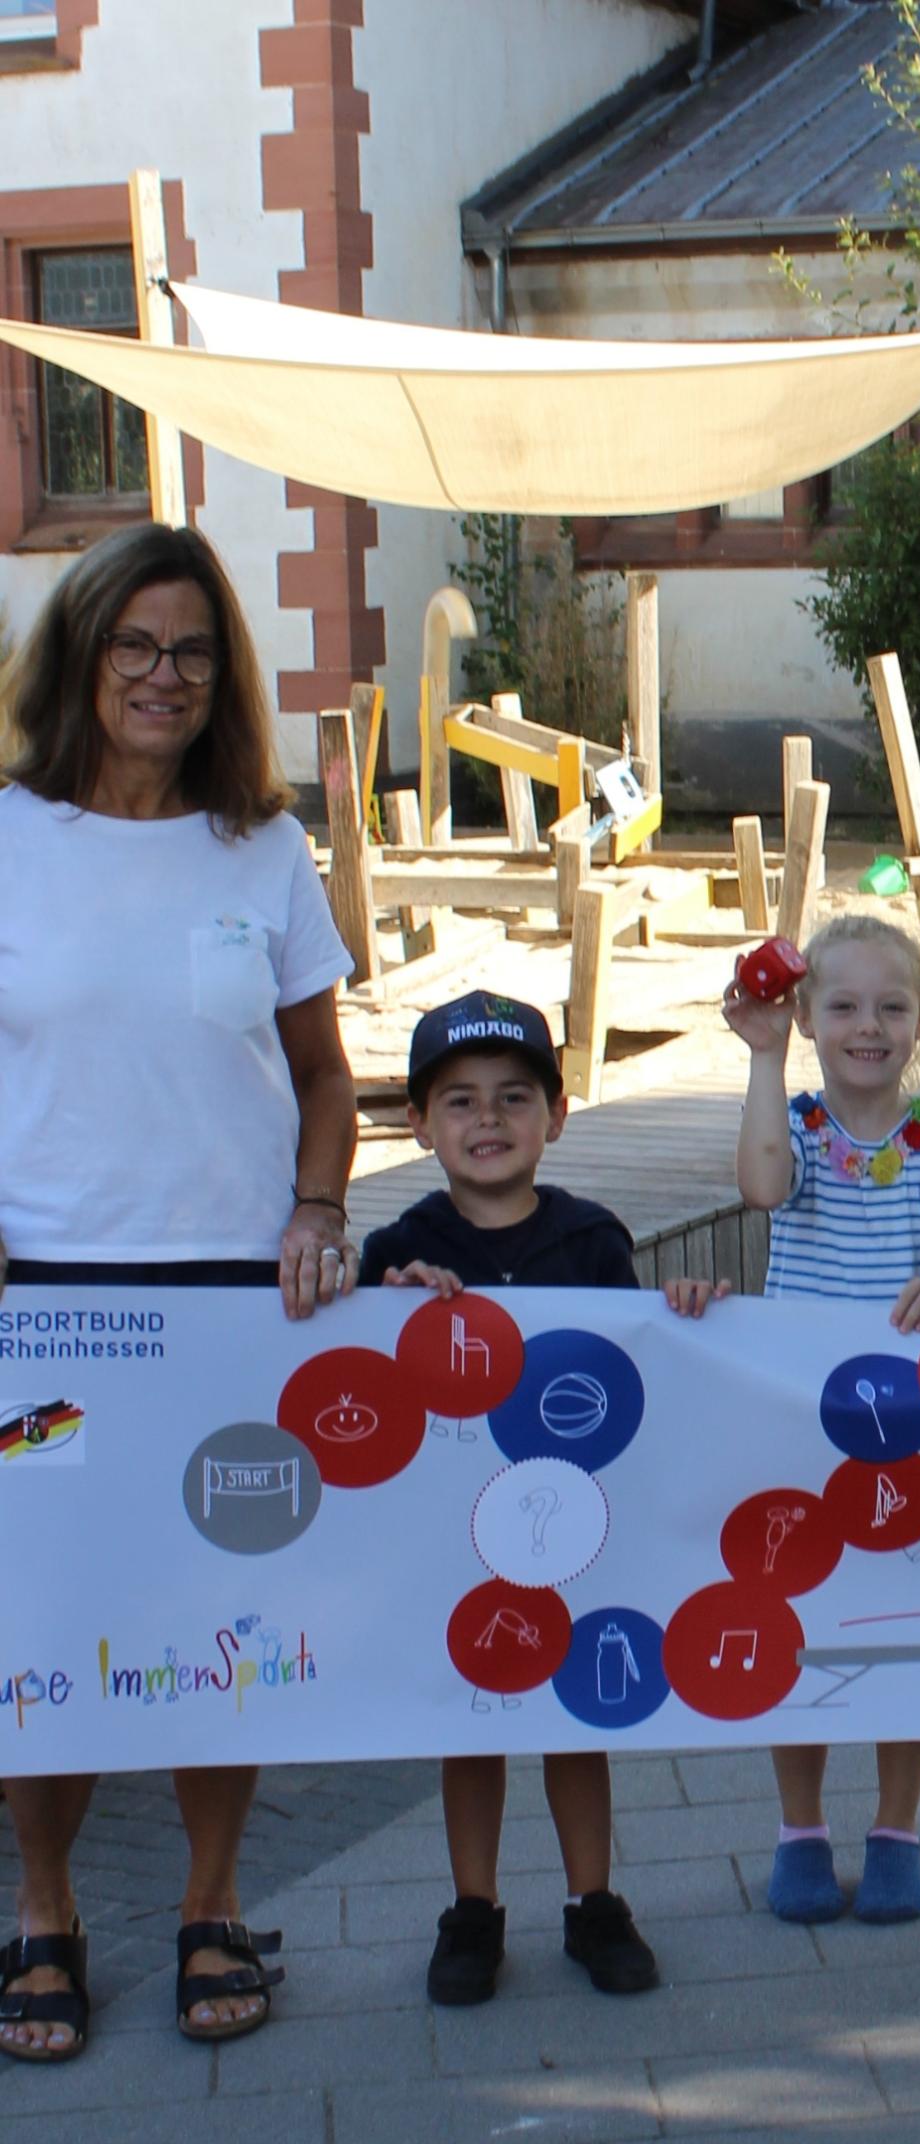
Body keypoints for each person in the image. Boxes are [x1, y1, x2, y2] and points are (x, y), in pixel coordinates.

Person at [0, 523, 359, 2061]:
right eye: (135, 645)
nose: (164, 676)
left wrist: (319, 1205)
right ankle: (47, 1910)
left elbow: (324, 1078)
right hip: (48, 1313)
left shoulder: (264, 850)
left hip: (230, 1307)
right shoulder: (7, 836)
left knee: (221, 1606)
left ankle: (213, 1899)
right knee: (49, 1615)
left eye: (193, 651)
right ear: (81, 658)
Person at [359, 989, 701, 2005]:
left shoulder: (592, 1236)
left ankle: (594, 1901)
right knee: (471, 1717)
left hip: (574, 1528)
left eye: (515, 1096)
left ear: (556, 1114)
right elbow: (377, 1387)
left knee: (574, 1715)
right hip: (453, 1536)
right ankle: (472, 1909)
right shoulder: (399, 1249)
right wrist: (384, 1311)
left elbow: (633, 1369)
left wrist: (683, 1311)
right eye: (458, 1100)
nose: (488, 1120)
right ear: (419, 1124)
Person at [725, 915, 920, 1924]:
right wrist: (761, 1056)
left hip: (904, 1428)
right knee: (796, 1621)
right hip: (798, 1418)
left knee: (902, 1628)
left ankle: (895, 1824)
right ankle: (799, 1825)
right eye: (840, 1005)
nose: (867, 1026)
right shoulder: (791, 1125)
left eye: (890, 1007)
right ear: (805, 1016)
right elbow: (760, 1188)